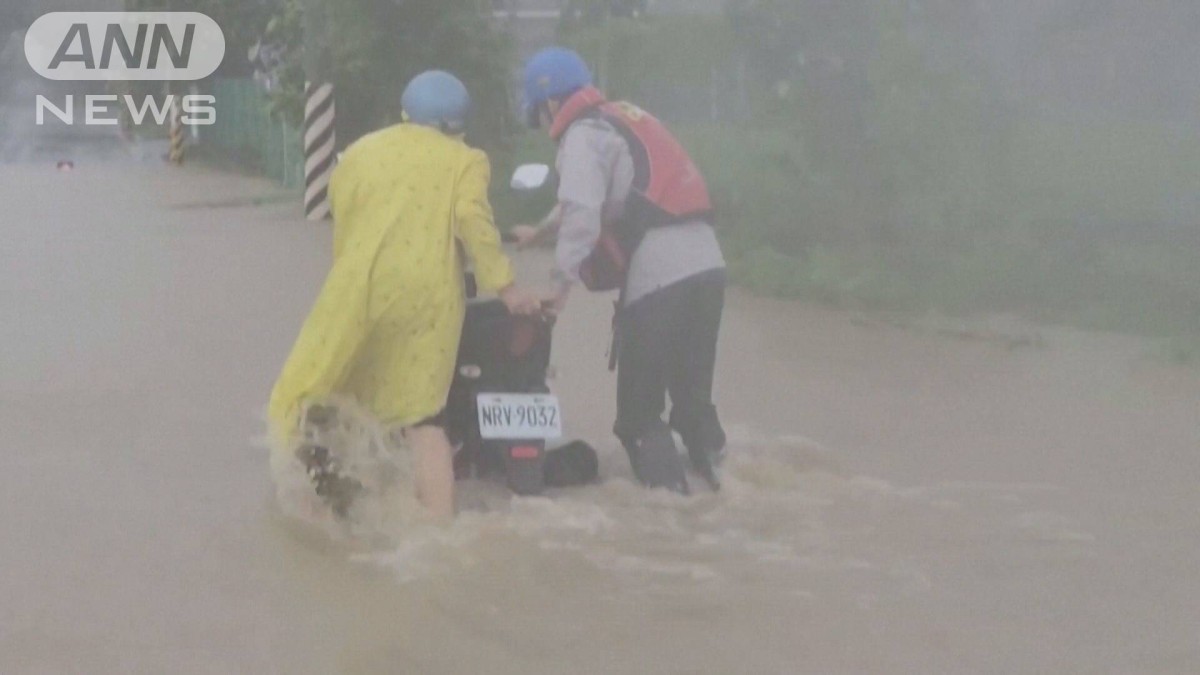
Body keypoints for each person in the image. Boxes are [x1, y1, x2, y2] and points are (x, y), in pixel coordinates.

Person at [269, 70, 542, 520]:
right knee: (422, 419)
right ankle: (440, 529)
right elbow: (472, 221)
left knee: (321, 398)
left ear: (405, 113)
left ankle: (316, 515)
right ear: (459, 122)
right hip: (426, 298)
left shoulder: (361, 152)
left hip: (356, 289)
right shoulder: (465, 159)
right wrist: (508, 289)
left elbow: (343, 212)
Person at [514, 47, 727, 493]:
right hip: (709, 269)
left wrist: (559, 289)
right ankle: (729, 489)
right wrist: (540, 231)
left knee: (638, 418)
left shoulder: (582, 133)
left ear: (549, 102)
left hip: (659, 279)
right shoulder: (623, 118)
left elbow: (582, 213)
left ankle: (676, 516)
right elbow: (597, 196)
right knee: (692, 406)